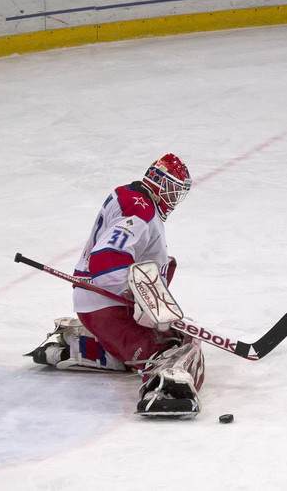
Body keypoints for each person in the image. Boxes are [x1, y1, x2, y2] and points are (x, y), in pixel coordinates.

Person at [27, 154, 205, 418]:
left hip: (97, 304)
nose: (174, 198)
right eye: (172, 189)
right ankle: (164, 390)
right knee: (173, 348)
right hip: (108, 307)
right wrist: (136, 295)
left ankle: (77, 345)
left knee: (177, 332)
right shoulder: (140, 212)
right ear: (157, 182)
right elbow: (106, 261)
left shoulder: (130, 195)